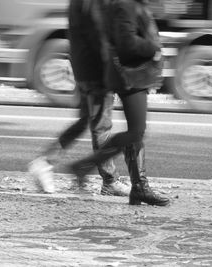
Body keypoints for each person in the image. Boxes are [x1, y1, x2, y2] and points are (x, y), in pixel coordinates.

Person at [69, 0, 170, 206]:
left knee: (136, 132)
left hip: (131, 76)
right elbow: (127, 43)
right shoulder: (125, 4)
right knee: (136, 131)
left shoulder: (128, 4)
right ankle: (85, 166)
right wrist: (153, 48)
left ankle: (139, 187)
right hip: (129, 77)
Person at [28, 0, 130, 196]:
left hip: (82, 66)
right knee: (101, 125)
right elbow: (101, 36)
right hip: (96, 70)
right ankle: (110, 181)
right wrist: (113, 71)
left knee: (86, 121)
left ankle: (45, 161)